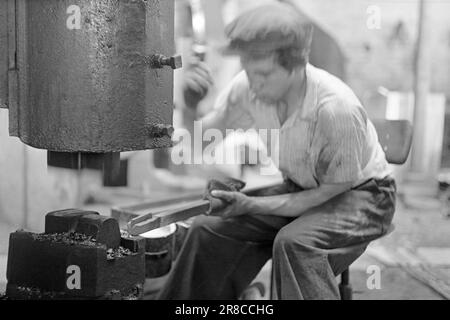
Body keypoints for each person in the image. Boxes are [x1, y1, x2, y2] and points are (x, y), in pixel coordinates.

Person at [158, 2, 396, 300]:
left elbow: (330, 192)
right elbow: (200, 144)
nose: (254, 84)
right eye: (249, 71)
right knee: (209, 228)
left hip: (364, 197)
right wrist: (192, 107)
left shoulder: (335, 109)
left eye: (264, 74)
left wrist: (252, 205)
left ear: (297, 64)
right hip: (302, 186)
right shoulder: (247, 88)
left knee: (295, 243)